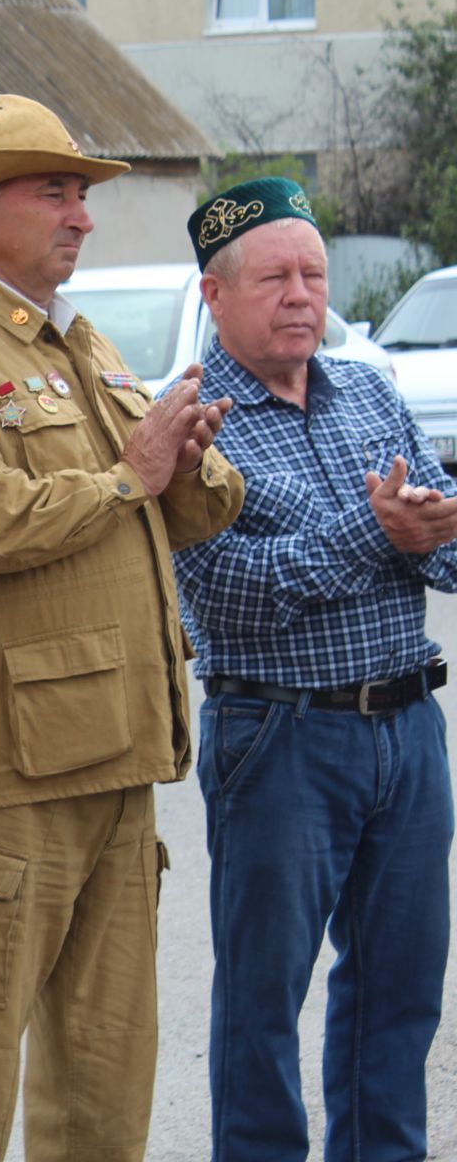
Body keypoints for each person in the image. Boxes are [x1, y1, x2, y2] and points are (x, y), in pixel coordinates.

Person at [0, 94, 244, 1162]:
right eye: (55, 191)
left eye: (82, 194)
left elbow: (187, 508)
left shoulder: (88, 343)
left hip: (115, 758)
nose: (80, 215)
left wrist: (189, 453)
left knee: (106, 1083)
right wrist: (131, 472)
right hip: (3, 773)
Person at [172, 177, 455, 1161]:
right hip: (279, 734)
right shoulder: (194, 423)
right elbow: (230, 594)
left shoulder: (370, 389)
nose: (302, 294)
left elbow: (448, 548)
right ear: (213, 294)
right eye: (274, 276)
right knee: (263, 994)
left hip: (410, 726)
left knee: (401, 989)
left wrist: (426, 532)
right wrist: (378, 531)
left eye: (314, 273)